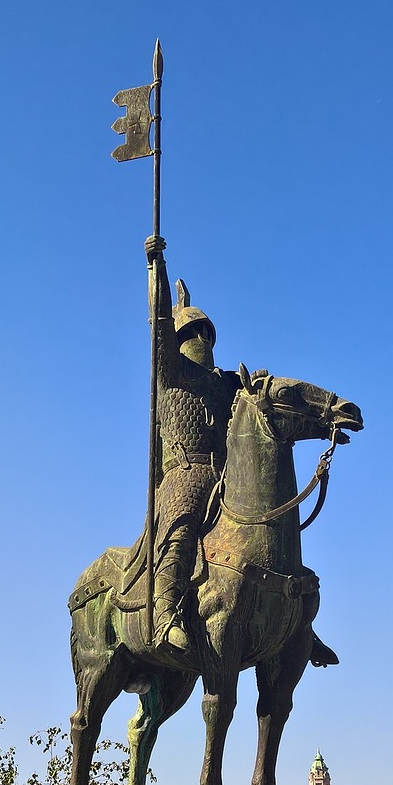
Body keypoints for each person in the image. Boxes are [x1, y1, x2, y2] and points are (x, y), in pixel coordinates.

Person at [145, 235, 240, 661]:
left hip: (225, 475)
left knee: (270, 528)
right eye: (194, 329)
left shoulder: (223, 384)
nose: (201, 336)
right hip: (183, 475)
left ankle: (294, 622)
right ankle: (164, 615)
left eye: (205, 330)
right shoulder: (170, 371)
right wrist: (157, 270)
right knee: (181, 529)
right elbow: (159, 328)